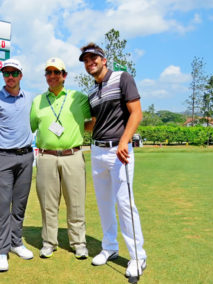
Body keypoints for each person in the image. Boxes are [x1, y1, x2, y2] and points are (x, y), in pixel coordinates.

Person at [79, 43, 147, 278]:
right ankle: (110, 248)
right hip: (97, 151)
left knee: (125, 204)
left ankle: (138, 256)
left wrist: (123, 141)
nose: (90, 63)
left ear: (103, 59)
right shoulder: (92, 93)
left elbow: (136, 112)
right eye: (86, 60)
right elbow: (95, 123)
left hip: (119, 152)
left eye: (93, 58)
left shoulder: (122, 78)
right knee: (104, 203)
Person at [30, 57, 91, 260]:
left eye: (57, 72)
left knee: (75, 202)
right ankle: (49, 242)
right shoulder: (37, 101)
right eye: (49, 72)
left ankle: (79, 243)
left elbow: (93, 121)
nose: (53, 76)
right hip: (46, 157)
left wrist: (79, 131)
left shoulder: (79, 98)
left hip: (72, 155)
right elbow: (30, 127)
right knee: (48, 203)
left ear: (64, 75)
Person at [0, 59, 34, 272]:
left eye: (14, 73)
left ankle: (16, 242)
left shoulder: (30, 98)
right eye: (6, 73)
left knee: (19, 204)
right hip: (2, 157)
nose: (10, 77)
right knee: (3, 205)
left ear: (21, 75)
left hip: (26, 157)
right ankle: (1, 250)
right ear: (3, 76)